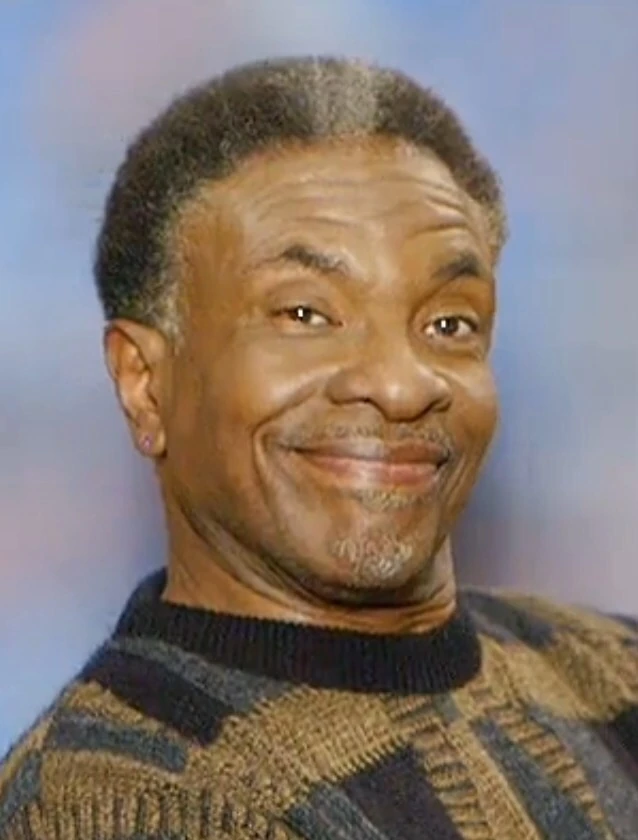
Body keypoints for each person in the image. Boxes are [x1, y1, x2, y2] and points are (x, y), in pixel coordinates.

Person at [1, 55, 637, 840]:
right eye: (305, 315)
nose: (401, 384)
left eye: (449, 323)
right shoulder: (123, 801)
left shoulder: (611, 673)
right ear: (144, 382)